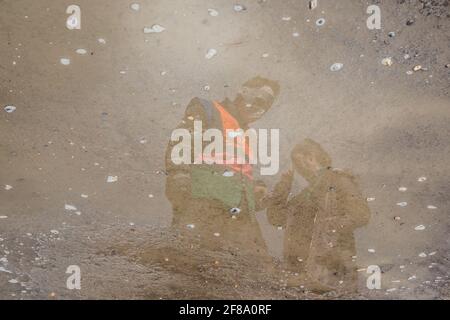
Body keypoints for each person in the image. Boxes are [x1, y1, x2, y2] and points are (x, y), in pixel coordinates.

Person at [165, 76, 280, 257]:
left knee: (253, 269)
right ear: (243, 91)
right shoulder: (208, 109)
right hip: (204, 205)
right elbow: (182, 145)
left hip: (241, 219)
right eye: (258, 100)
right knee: (192, 264)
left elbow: (237, 174)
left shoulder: (248, 134)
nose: (260, 108)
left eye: (266, 106)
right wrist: (179, 180)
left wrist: (255, 192)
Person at [267, 139, 370, 292]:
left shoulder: (339, 180)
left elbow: (361, 214)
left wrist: (326, 227)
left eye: (296, 161)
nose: (297, 169)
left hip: (331, 271)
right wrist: (283, 187)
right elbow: (277, 218)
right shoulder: (305, 194)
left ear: (310, 157)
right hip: (304, 273)